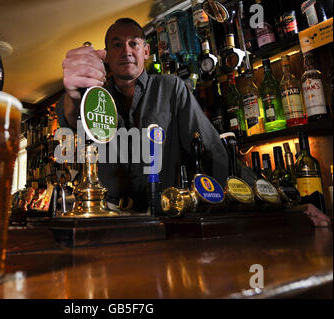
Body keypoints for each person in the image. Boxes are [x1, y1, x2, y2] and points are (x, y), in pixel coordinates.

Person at [57, 17, 331, 227]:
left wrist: (282, 202)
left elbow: (213, 152)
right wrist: (71, 94)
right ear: (105, 54)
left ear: (145, 51)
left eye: (133, 43)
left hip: (167, 222)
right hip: (110, 224)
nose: (125, 50)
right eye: (116, 44)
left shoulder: (171, 87)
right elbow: (72, 125)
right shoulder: (93, 97)